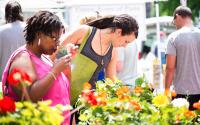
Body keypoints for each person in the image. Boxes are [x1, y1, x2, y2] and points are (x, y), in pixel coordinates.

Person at [1, 11, 71, 124]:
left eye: (59, 39)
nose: (57, 44)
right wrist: (55, 71)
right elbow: (29, 97)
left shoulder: (44, 57)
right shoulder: (23, 58)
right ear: (39, 34)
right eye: (54, 38)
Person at [165, 6, 200, 110]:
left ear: (177, 16)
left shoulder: (173, 37)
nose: (174, 24)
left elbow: (170, 68)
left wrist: (166, 91)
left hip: (181, 94)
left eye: (174, 21)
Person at [0, 0, 26, 80]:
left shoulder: (1, 30)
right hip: (26, 76)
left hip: (5, 75)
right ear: (20, 12)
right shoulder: (29, 29)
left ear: (6, 13)